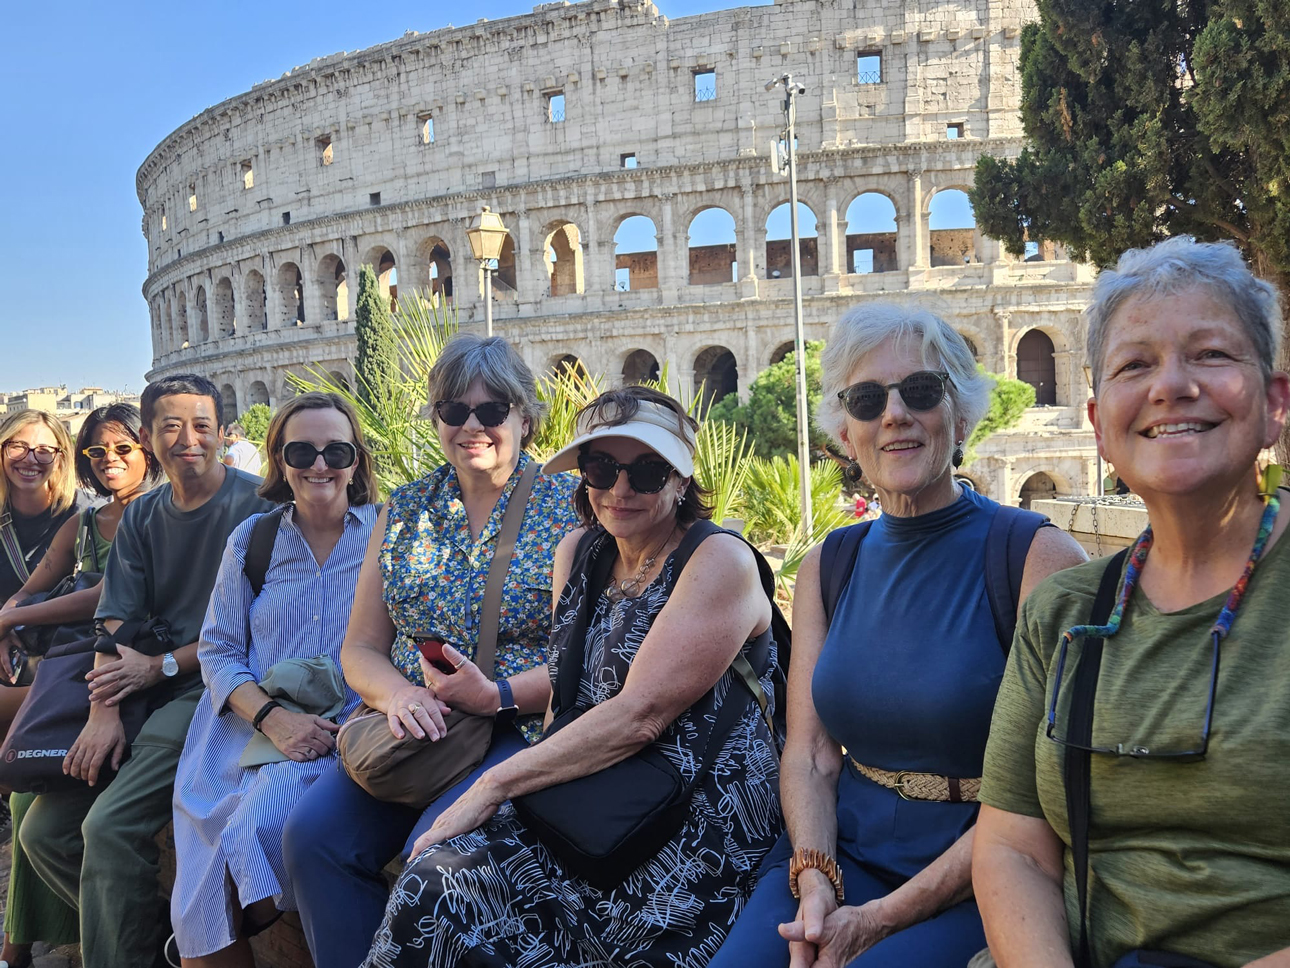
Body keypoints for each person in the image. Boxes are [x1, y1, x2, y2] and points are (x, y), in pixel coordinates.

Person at [710, 304, 1086, 968]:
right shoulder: (834, 560)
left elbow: (1047, 781)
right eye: (866, 399)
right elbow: (812, 754)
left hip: (983, 870)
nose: (893, 414)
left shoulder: (1036, 558)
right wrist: (816, 879)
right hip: (839, 850)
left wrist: (879, 920)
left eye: (920, 391)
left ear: (961, 414)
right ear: (846, 433)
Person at [363, 385, 783, 968]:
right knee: (428, 888)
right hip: (597, 789)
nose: (619, 489)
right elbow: (571, 692)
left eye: (647, 471)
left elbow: (641, 715)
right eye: (601, 467)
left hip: (691, 820)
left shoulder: (718, 561)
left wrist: (491, 789)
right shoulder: (581, 552)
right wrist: (499, 710)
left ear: (683, 479)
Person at [975, 237, 1290, 968]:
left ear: (1275, 404)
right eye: (1134, 365)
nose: (1170, 386)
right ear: (1098, 422)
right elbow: (1011, 847)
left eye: (1211, 354)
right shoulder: (1065, 612)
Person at [281, 334, 579, 968]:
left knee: (430, 857)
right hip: (422, 725)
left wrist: (494, 694)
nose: (472, 425)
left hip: (521, 728)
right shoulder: (406, 510)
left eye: (492, 410)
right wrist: (402, 695)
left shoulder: (571, 509)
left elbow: (585, 660)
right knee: (312, 840)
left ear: (526, 417)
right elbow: (361, 647)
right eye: (453, 410)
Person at [19, 375, 272, 968]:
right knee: (42, 835)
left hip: (208, 694)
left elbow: (247, 632)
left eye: (203, 426)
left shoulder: (258, 504)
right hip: (138, 687)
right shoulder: (142, 517)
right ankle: (153, 939)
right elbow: (114, 619)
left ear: (220, 432)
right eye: (172, 426)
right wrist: (102, 711)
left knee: (107, 830)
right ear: (150, 437)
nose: (190, 440)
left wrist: (159, 666)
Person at [170, 392, 379, 966]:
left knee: (252, 831)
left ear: (356, 459)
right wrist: (272, 717)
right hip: (249, 725)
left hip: (349, 728)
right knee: (205, 860)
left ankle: (221, 928)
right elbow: (217, 649)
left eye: (336, 449)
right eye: (301, 450)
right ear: (279, 461)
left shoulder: (385, 537)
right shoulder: (253, 540)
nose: (319, 464)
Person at [0, 404, 159, 968]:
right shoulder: (87, 521)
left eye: (123, 449)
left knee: (33, 809)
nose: (110, 461)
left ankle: (116, 935)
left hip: (126, 676)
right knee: (25, 804)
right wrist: (9, 618)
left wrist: (13, 621)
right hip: (76, 674)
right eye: (98, 452)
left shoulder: (158, 514)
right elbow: (30, 591)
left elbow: (107, 596)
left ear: (146, 451)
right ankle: (86, 934)